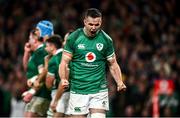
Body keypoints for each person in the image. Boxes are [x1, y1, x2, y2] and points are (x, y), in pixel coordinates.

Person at [59, 8, 126, 118]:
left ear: (101, 22)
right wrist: (63, 79)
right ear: (85, 22)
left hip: (99, 90)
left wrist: (119, 82)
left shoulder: (106, 40)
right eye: (91, 24)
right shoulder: (74, 38)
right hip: (78, 90)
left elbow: (113, 64)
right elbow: (64, 63)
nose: (94, 27)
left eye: (97, 24)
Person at [22, 20, 54, 117]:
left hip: (41, 95)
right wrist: (26, 52)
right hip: (38, 93)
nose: (28, 41)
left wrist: (31, 92)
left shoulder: (42, 52)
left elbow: (43, 73)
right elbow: (26, 68)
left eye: (37, 30)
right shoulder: (37, 52)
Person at [45, 34, 70, 117]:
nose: (45, 48)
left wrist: (55, 100)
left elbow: (48, 84)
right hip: (73, 93)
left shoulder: (53, 60)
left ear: (52, 47)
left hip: (60, 94)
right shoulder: (69, 55)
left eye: (47, 46)